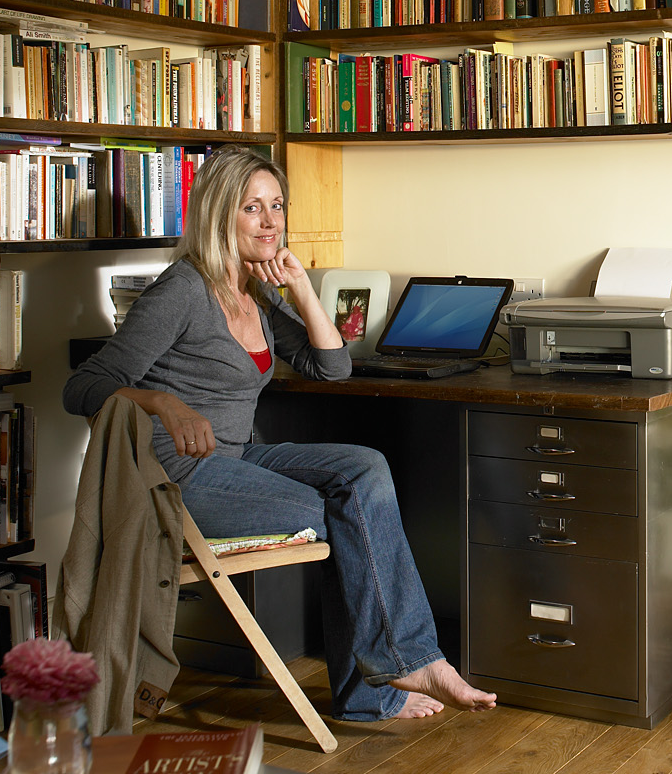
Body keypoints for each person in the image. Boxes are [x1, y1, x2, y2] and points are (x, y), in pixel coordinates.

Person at [63, 146, 495, 722]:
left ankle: (391, 672)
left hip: (236, 458)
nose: (270, 222)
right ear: (220, 216)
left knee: (363, 469)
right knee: (349, 511)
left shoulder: (255, 292)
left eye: (277, 207)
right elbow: (84, 387)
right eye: (252, 209)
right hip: (177, 478)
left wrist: (300, 288)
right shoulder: (183, 292)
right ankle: (390, 677)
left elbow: (331, 367)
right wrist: (160, 402)